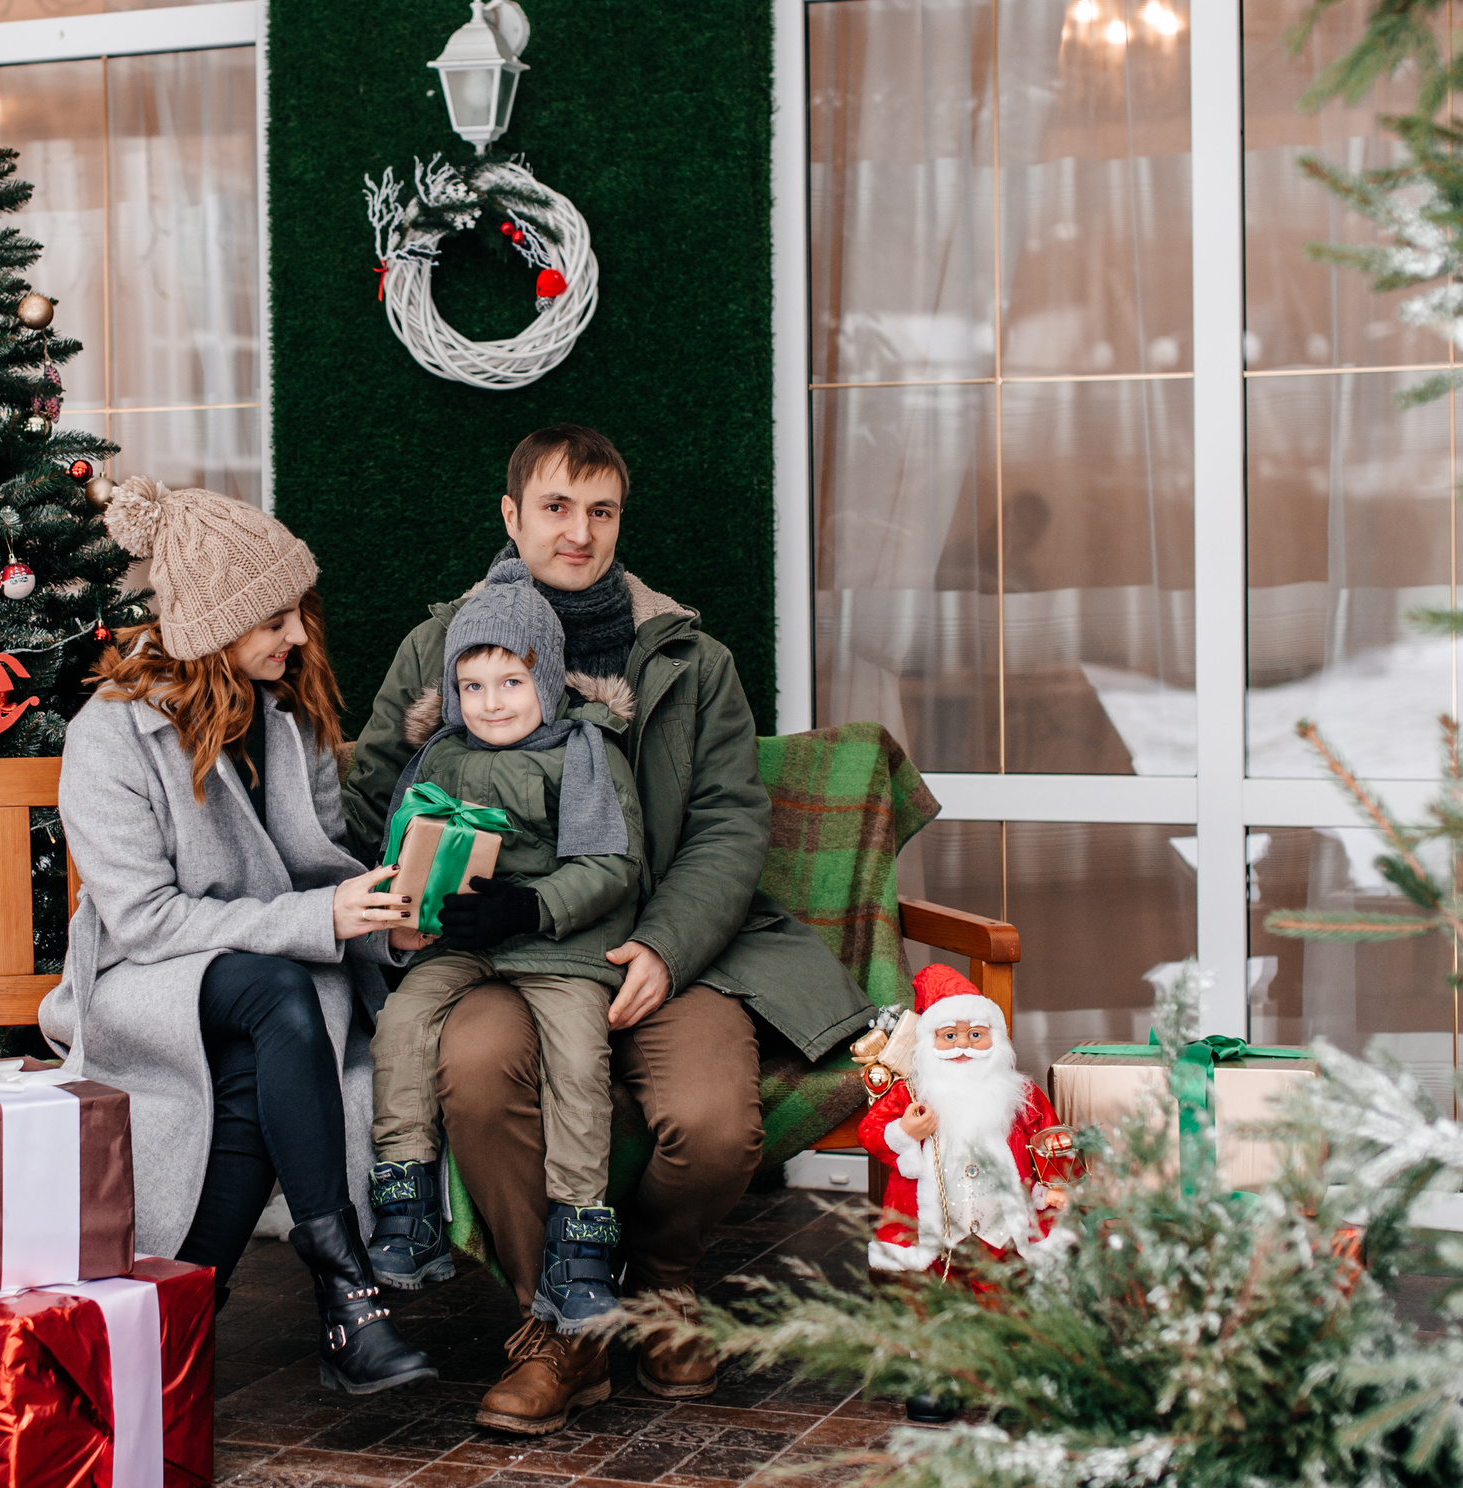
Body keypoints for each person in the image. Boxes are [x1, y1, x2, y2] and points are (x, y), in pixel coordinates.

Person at [345, 424, 875, 1436]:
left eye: (600, 511)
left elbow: (728, 824)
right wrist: (426, 899)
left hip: (663, 954)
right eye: (554, 507)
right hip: (505, 955)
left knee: (715, 1125)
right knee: (471, 1070)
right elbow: (378, 794)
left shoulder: (688, 656)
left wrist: (669, 943)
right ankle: (558, 1326)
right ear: (510, 516)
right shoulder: (440, 645)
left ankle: (660, 1285)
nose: (578, 533)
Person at [43, 476, 435, 1396]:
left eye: (297, 612)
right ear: (214, 623)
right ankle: (349, 1291)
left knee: (269, 1048)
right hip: (149, 978)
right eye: (271, 620)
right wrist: (313, 922)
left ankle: (181, 1329)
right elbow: (142, 920)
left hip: (273, 980)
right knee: (278, 994)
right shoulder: (109, 736)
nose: (297, 637)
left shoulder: (287, 720)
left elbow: (323, 868)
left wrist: (388, 928)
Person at [363, 558, 646, 1336]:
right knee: (405, 1020)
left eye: (512, 683)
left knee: (578, 1063)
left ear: (548, 682)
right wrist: (410, 909)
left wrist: (530, 904)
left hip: (560, 946)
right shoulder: (440, 756)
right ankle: (408, 1204)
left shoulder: (584, 753)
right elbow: (403, 844)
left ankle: (579, 1250)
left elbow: (613, 864)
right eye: (475, 686)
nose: (492, 704)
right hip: (463, 938)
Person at [859, 963, 1070, 1278]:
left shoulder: (1020, 1092)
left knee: (1002, 1292)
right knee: (932, 1296)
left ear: (995, 1039)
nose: (963, 1045)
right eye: (949, 1035)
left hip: (1002, 1229)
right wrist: (904, 1132)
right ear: (929, 1042)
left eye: (975, 1034)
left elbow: (1051, 1136)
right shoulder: (912, 1092)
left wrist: (1055, 1184)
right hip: (932, 1229)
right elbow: (870, 1132)